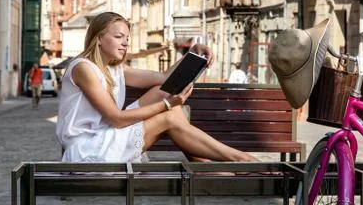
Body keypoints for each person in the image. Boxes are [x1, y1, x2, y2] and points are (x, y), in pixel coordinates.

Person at [56, 12, 257, 163]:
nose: (125, 43)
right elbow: (116, 119)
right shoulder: (83, 68)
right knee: (169, 113)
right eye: (118, 37)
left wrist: (192, 54)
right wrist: (167, 105)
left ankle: (211, 168)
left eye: (127, 38)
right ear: (99, 38)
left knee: (163, 90)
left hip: (104, 137)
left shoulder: (115, 69)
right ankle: (242, 160)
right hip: (88, 149)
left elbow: (163, 78)